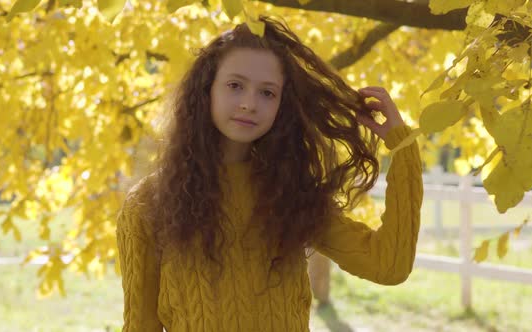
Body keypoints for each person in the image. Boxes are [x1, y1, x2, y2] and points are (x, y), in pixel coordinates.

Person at [116, 15, 423, 332]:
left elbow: (389, 266)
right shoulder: (148, 204)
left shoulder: (290, 194)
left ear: (282, 105)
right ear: (206, 90)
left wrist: (403, 147)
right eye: (235, 86)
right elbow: (140, 324)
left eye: (267, 93)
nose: (249, 104)